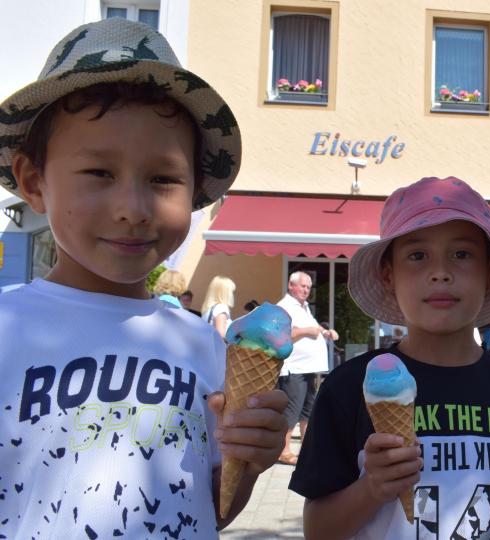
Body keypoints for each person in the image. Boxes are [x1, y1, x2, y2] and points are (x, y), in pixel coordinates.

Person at [0, 18, 287, 537]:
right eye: (99, 173)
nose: (133, 208)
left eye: (162, 179)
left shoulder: (205, 344)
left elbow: (208, 510)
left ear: (195, 190)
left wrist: (249, 462)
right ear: (33, 181)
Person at [291, 176, 490, 539]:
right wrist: (371, 489)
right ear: (389, 275)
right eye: (417, 256)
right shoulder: (349, 388)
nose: (440, 272)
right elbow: (317, 530)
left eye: (462, 254)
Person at [276, 271, 339, 466]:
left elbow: (311, 331)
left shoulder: (304, 308)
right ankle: (284, 451)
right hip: (294, 367)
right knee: (291, 411)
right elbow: (282, 334)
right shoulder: (284, 307)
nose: (306, 290)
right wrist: (308, 331)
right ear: (290, 285)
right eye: (302, 286)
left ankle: (307, 449)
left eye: (308, 287)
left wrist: (324, 332)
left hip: (309, 367)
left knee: (308, 411)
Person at [202, 275, 236, 339]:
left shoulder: (208, 308)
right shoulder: (221, 308)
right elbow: (220, 336)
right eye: (231, 291)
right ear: (225, 292)